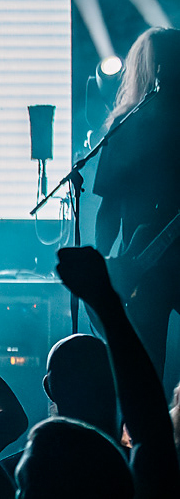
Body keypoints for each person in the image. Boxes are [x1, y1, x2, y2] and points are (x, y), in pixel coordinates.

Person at [92, 26, 180, 383]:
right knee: (145, 367)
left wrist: (102, 265)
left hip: (140, 262)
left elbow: (108, 209)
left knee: (145, 371)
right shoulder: (128, 125)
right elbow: (109, 207)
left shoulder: (126, 125)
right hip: (142, 261)